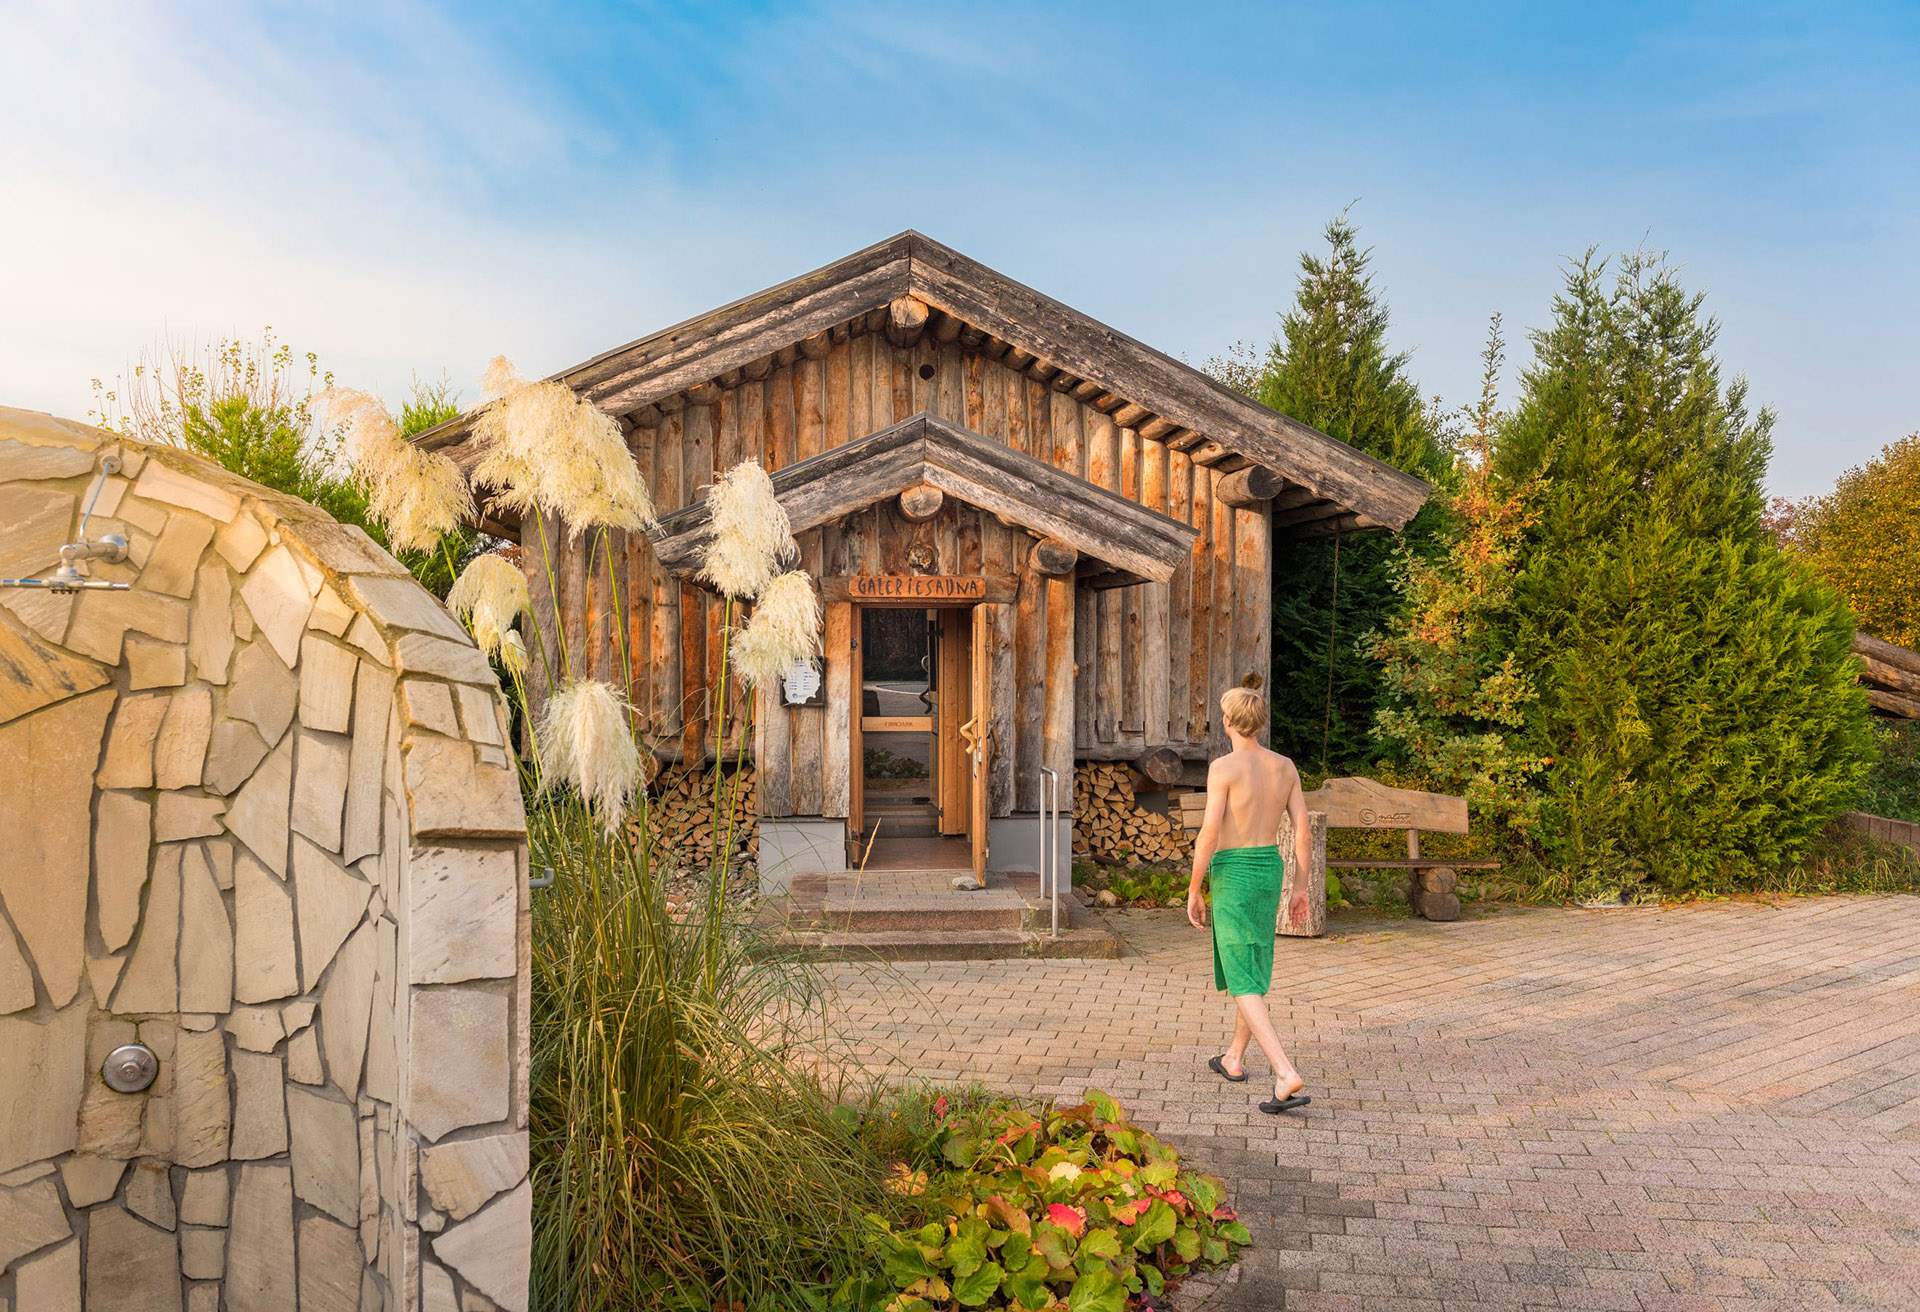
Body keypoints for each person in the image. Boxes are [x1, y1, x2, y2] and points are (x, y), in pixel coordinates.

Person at [1186, 687, 1313, 1114]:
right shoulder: (1285, 766)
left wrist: (1193, 888)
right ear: (1259, 723)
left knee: (1241, 973)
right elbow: (1302, 832)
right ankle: (1234, 1059)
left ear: (1227, 722)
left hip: (1235, 871)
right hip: (1269, 869)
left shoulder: (1223, 768)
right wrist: (1300, 887)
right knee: (1254, 964)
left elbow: (1208, 834)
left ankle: (1283, 1071)